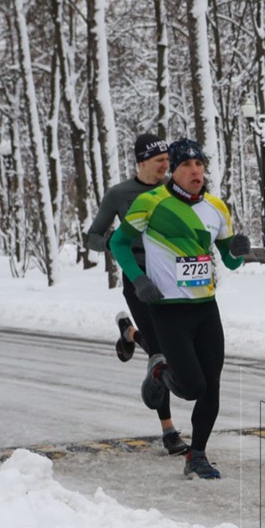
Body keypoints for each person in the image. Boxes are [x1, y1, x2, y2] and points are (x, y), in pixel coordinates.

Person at [108, 138, 248, 480]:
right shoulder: (151, 202)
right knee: (193, 387)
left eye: (199, 164)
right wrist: (139, 278)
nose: (195, 170)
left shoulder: (216, 207)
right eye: (186, 165)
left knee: (211, 386)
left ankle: (196, 455)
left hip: (206, 308)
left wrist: (239, 252)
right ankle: (160, 372)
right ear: (173, 170)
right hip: (168, 310)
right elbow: (118, 242)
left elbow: (229, 261)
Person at [87, 132, 184, 454]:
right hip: (137, 276)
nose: (166, 166)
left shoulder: (174, 190)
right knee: (160, 356)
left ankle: (129, 333)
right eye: (159, 161)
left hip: (170, 278)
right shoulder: (119, 194)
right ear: (142, 162)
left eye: (168, 160)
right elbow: (92, 236)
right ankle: (169, 431)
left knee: (171, 346)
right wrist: (115, 244)